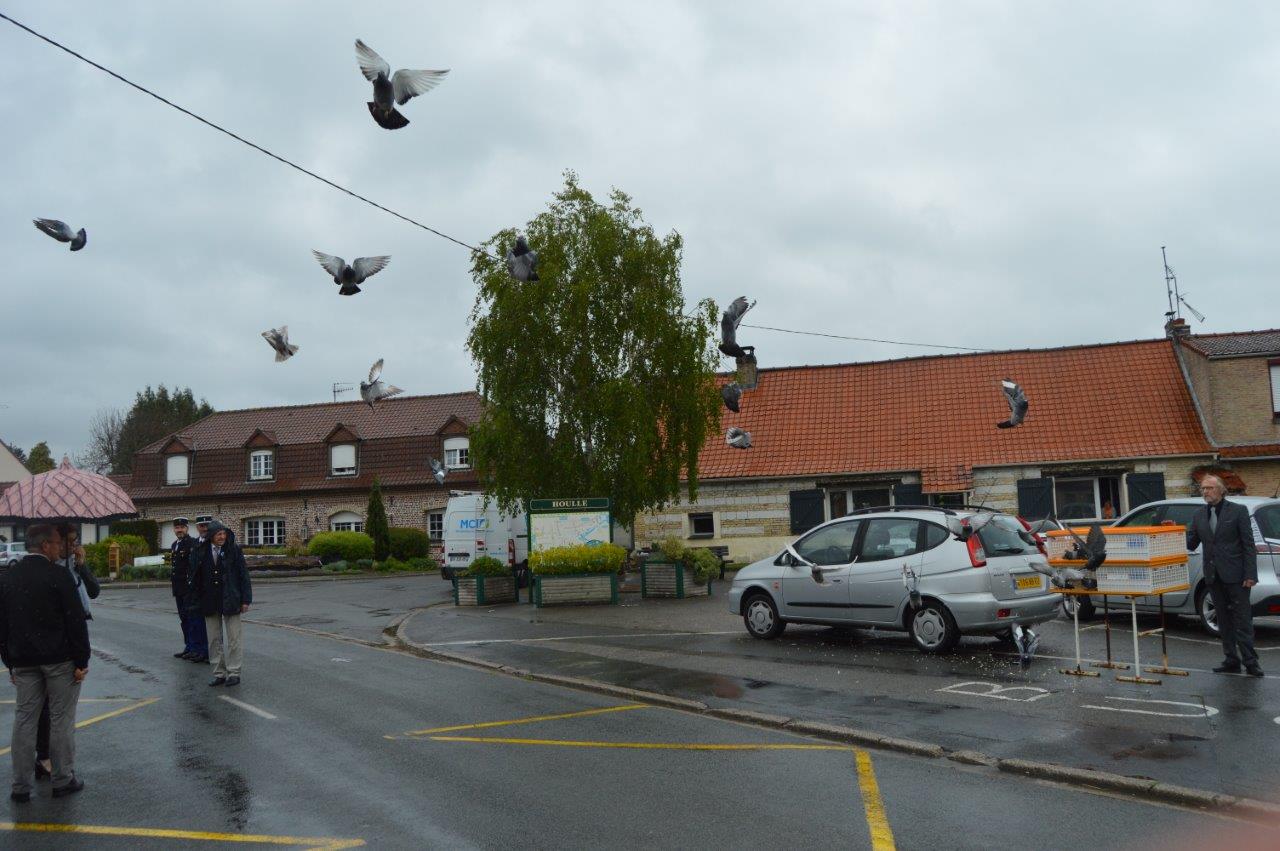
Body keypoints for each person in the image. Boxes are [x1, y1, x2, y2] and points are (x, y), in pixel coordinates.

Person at [0, 524, 89, 801]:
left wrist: (9, 661)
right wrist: (82, 659)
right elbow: (75, 621)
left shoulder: (9, 577)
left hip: (24, 660)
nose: (59, 547)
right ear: (45, 545)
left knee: (25, 720)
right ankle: (63, 780)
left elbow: (2, 624)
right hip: (58, 660)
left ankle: (20, 786)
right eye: (56, 543)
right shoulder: (58, 575)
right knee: (61, 720)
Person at [33, 526, 99, 782]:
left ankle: (50, 759)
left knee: (56, 706)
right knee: (50, 706)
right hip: (58, 642)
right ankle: (45, 757)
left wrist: (82, 567)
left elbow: (94, 591)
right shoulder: (52, 569)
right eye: (68, 542)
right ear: (55, 543)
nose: (72, 546)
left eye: (76, 541)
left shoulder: (73, 566)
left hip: (74, 636)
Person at [1187, 474, 1262, 677]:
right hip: (1213, 576)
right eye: (1203, 488)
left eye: (1209, 488)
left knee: (1242, 620)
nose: (1205, 492)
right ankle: (1231, 660)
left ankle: (1251, 662)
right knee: (1223, 620)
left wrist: (1250, 574)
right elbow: (1190, 543)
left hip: (1237, 576)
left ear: (1221, 490)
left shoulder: (1238, 511)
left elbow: (1248, 545)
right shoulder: (1199, 515)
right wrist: (1172, 531)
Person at [190, 521, 251, 687]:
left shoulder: (233, 550)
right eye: (218, 534)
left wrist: (246, 600)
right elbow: (195, 577)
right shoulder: (201, 551)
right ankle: (219, 673)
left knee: (234, 639)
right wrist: (196, 600)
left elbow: (243, 576)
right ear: (211, 536)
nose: (222, 537)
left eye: (223, 533)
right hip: (210, 601)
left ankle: (234, 672)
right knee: (213, 639)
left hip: (231, 599)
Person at [169, 518, 207, 663]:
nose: (179, 530)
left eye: (182, 527)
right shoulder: (174, 545)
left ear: (187, 528)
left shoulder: (191, 544)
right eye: (177, 528)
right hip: (178, 588)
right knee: (184, 619)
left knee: (193, 620)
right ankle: (189, 647)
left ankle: (197, 648)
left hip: (189, 589)